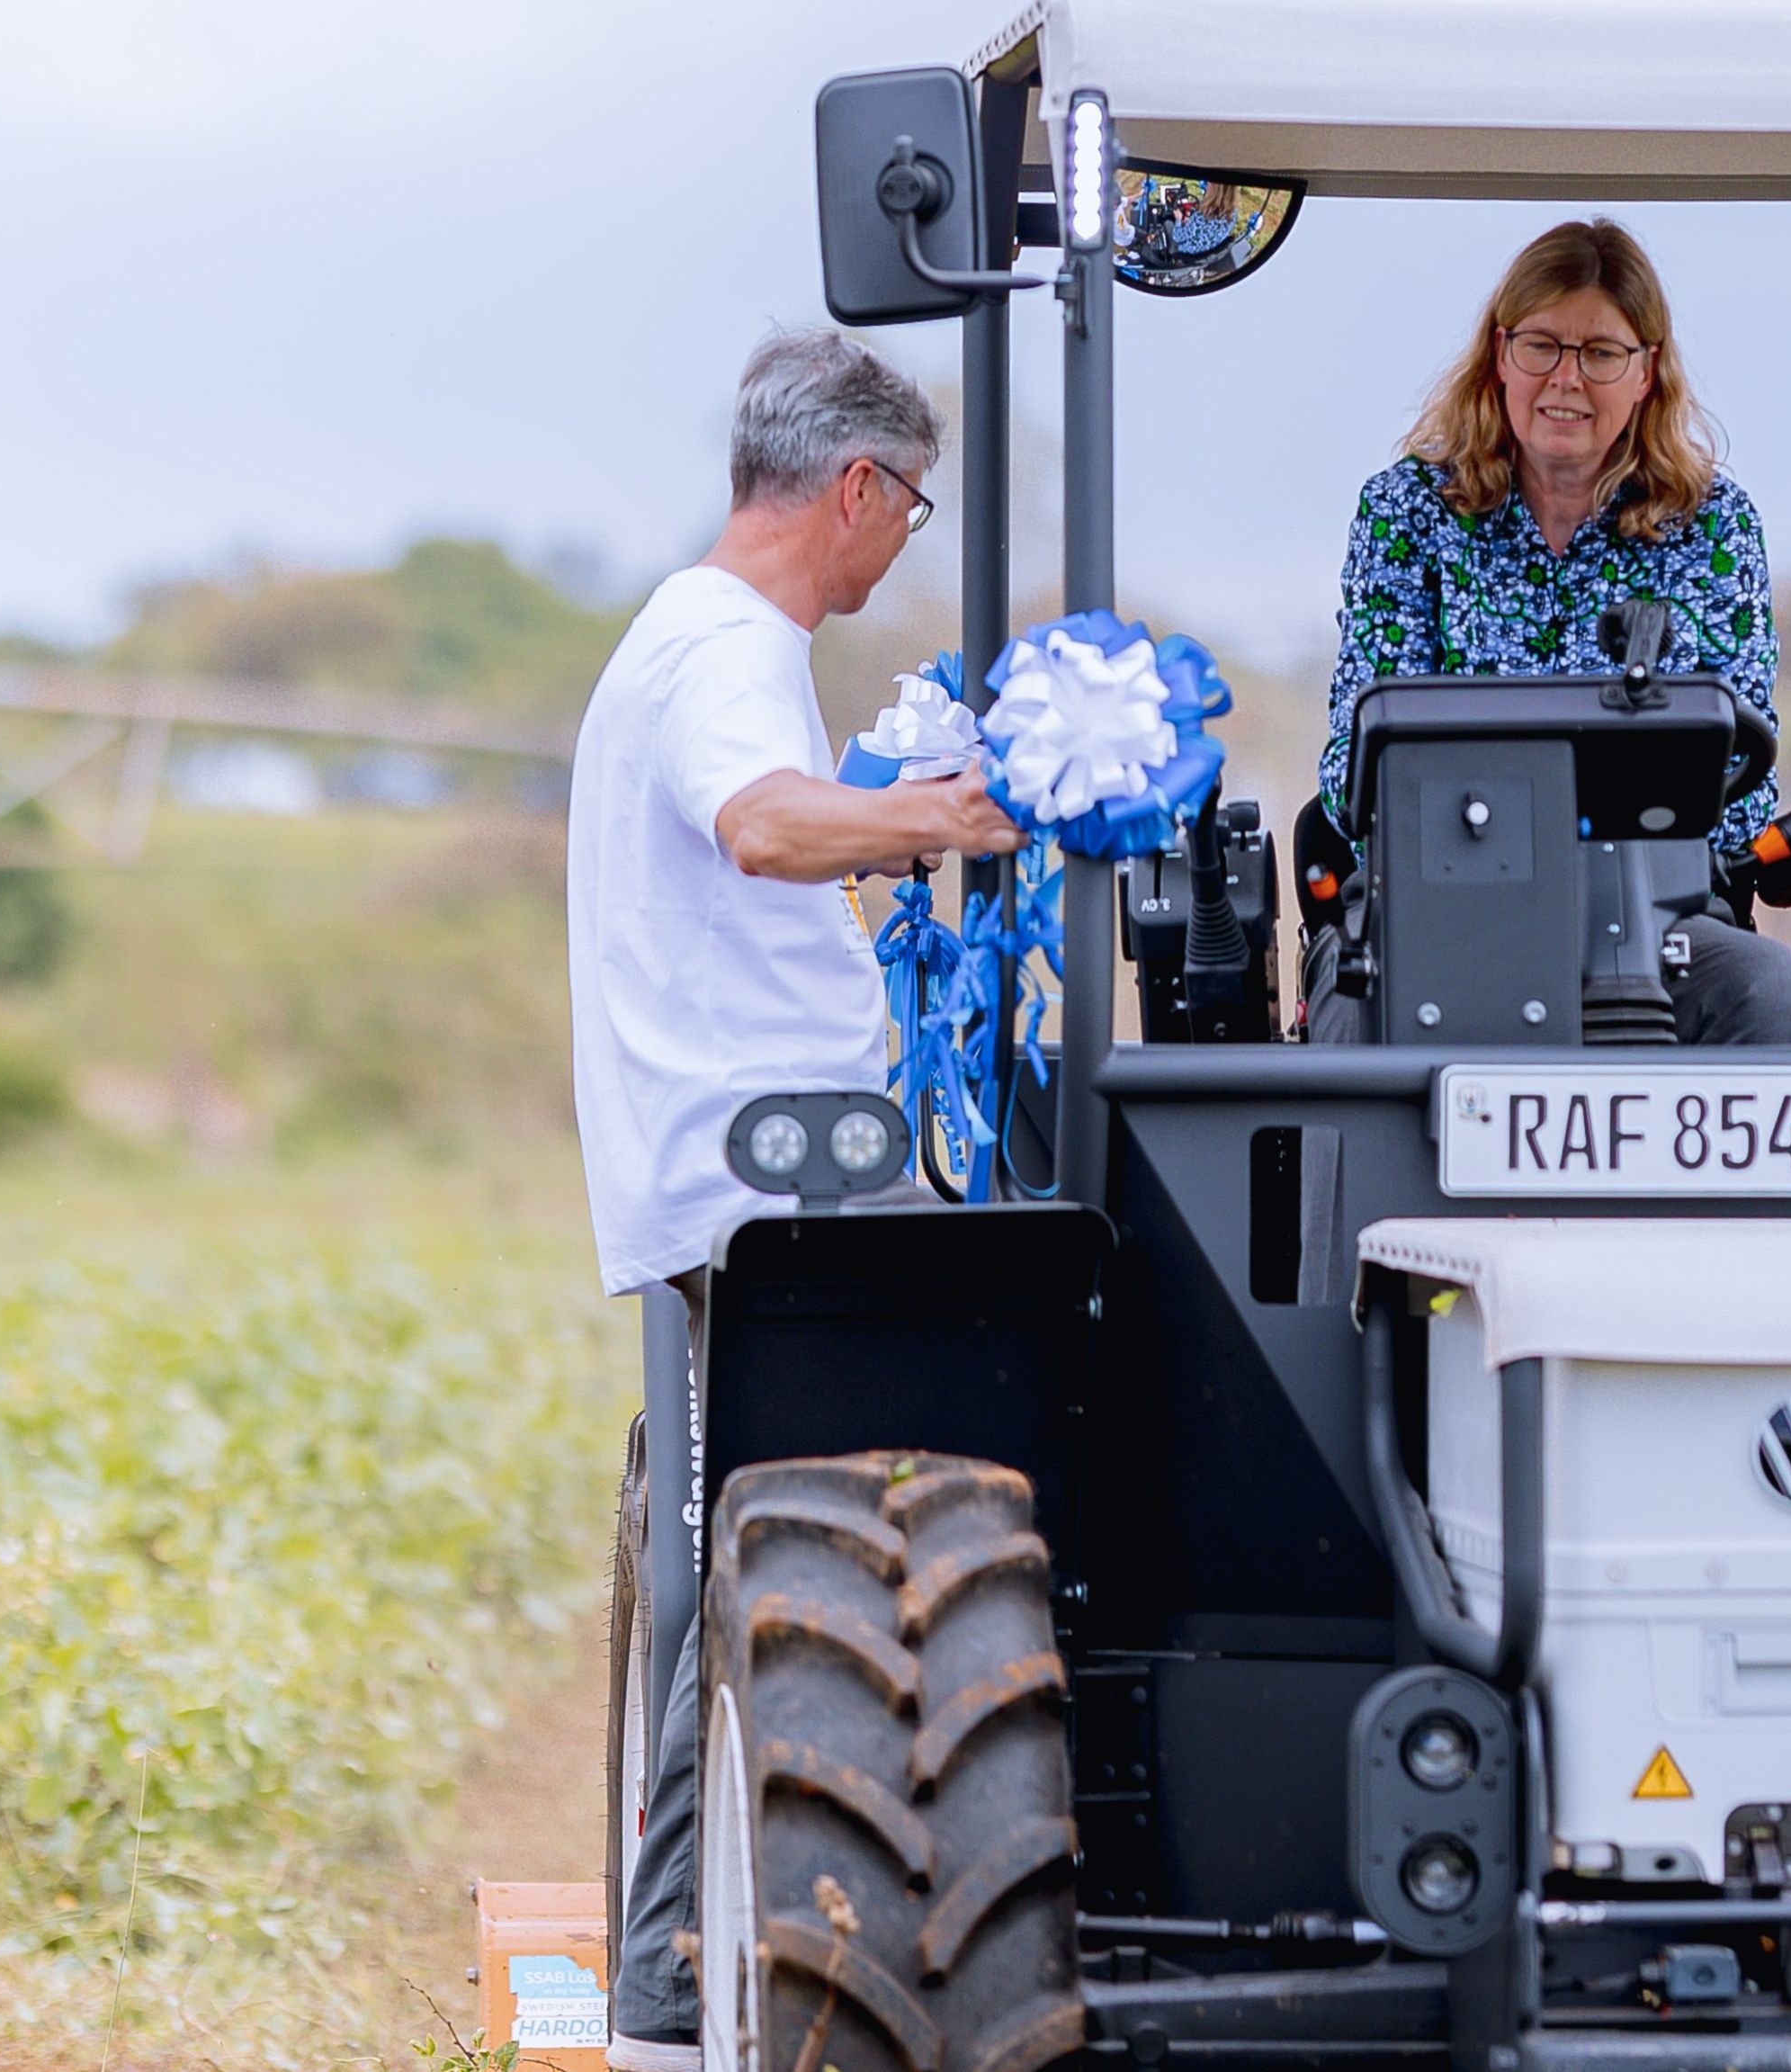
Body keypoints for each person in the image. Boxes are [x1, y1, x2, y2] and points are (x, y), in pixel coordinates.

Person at [568, 328, 1019, 2072]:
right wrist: (936, 820)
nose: (902, 535)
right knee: (786, 1574)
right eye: (902, 504)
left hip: (748, 1172)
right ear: (850, 485)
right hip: (768, 1188)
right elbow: (761, 827)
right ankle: (679, 1994)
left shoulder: (695, 637)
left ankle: (673, 1988)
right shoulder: (725, 650)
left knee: (730, 1571)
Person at [1310, 219, 1791, 1044]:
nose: (1566, 379)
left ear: (1646, 371)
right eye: (1543, 346)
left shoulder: (1713, 529)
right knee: (1352, 999)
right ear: (1499, 353)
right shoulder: (1408, 513)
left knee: (1771, 991)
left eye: (1600, 353)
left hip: (1655, 919)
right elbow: (1354, 769)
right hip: (1442, 909)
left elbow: (1733, 791)